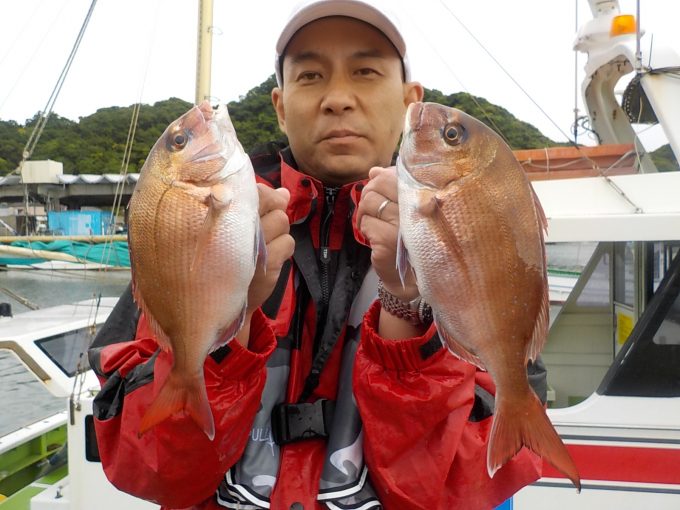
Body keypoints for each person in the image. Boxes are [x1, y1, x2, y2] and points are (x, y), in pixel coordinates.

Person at [89, 1, 547, 509]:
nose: (338, 99)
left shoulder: (476, 231)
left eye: (366, 71)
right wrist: (231, 318)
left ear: (409, 101)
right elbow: (154, 470)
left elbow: (457, 488)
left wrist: (406, 304)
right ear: (281, 107)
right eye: (310, 75)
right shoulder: (198, 226)